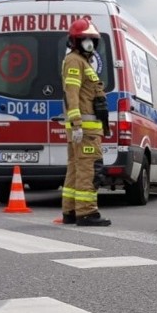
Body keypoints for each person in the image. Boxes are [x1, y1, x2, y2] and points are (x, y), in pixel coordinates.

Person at [61, 19, 111, 227]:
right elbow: (71, 94)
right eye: (85, 39)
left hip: (85, 129)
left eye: (92, 39)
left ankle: (71, 211)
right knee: (89, 170)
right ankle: (87, 212)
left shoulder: (82, 61)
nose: (89, 43)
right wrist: (77, 123)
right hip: (85, 130)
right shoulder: (75, 61)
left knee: (75, 170)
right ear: (75, 41)